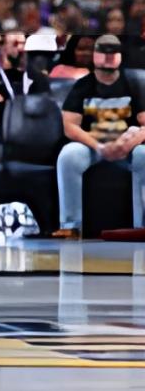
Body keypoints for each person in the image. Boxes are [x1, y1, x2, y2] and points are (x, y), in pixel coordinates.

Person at [52, 35, 145, 239]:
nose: (109, 56)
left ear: (120, 56)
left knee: (144, 154)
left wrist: (129, 143)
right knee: (68, 155)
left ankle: (142, 227)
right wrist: (99, 146)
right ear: (95, 56)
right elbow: (70, 126)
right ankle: (70, 225)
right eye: (104, 51)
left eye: (113, 52)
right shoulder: (82, 86)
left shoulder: (135, 84)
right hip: (91, 145)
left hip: (126, 146)